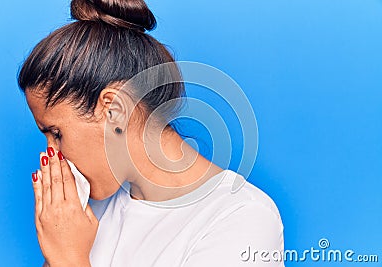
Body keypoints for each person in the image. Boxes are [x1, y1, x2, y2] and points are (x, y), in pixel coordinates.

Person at [18, 0, 285, 266]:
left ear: (115, 110)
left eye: (56, 133)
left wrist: (68, 259)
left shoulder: (242, 217)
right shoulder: (87, 216)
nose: (52, 154)